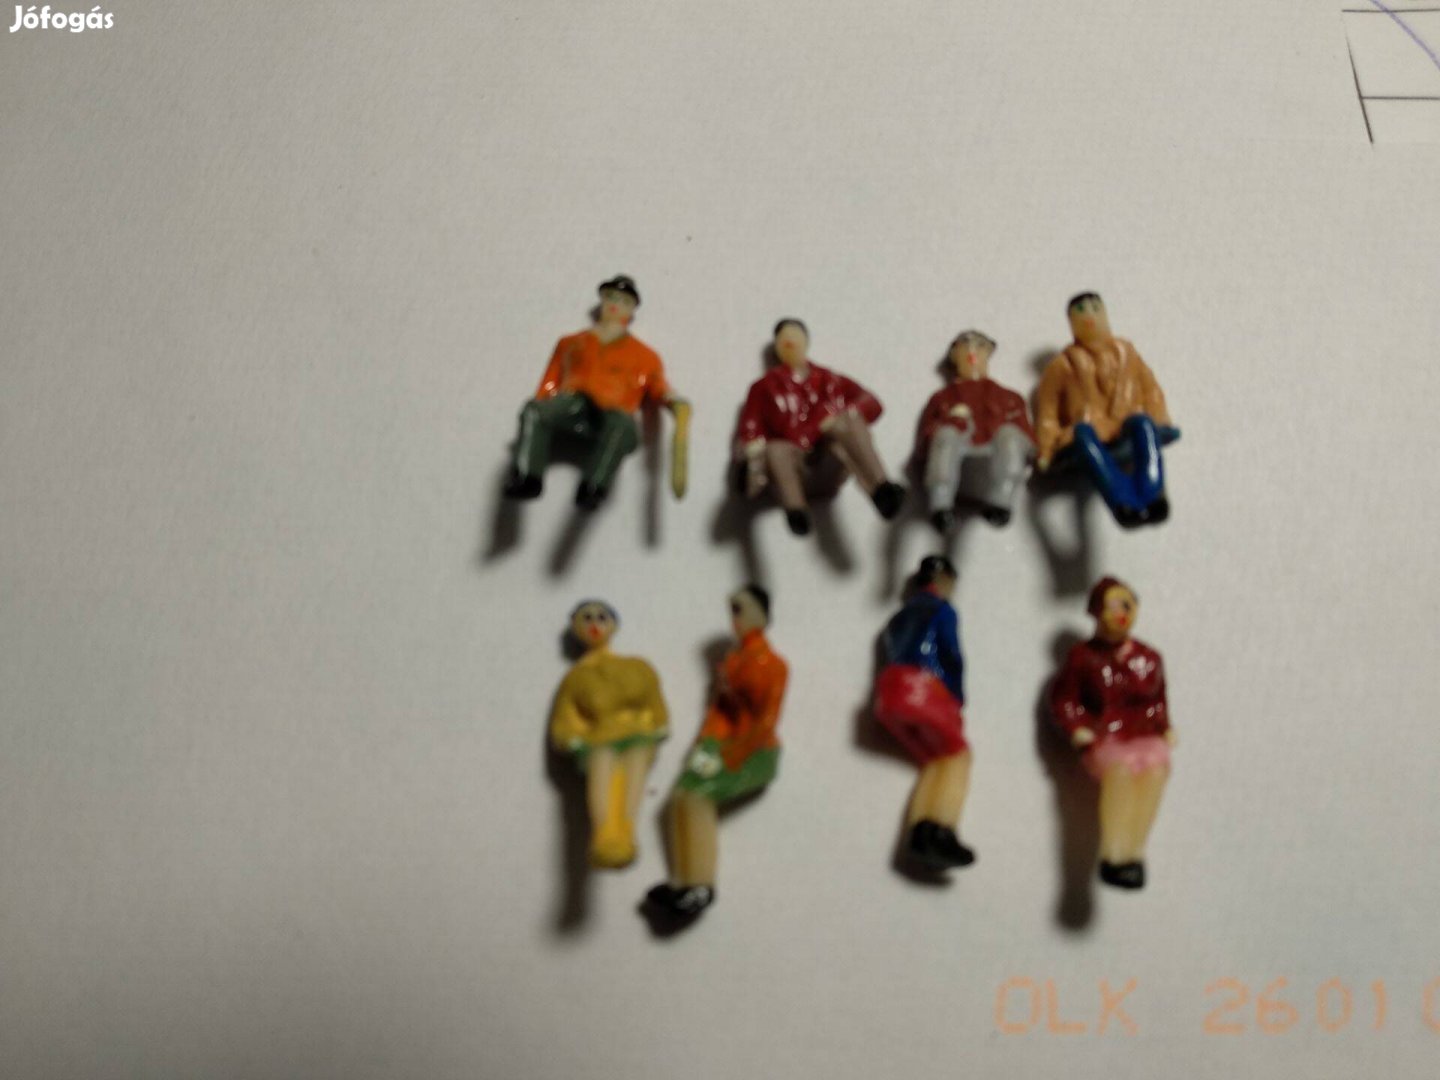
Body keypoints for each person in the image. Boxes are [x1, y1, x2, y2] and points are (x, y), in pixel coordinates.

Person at [645, 586, 788, 922]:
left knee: (698, 798)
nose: (734, 619)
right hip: (720, 744)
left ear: (762, 616)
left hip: (756, 751)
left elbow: (767, 722)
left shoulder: (774, 665)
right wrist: (705, 744)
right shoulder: (732, 661)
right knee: (679, 797)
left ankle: (701, 886)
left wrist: (736, 753)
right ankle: (680, 881)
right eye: (732, 610)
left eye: (740, 610)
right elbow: (719, 711)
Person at [505, 275, 691, 510]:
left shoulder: (645, 356)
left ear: (632, 309)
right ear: (602, 300)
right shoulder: (571, 343)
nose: (615, 304)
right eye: (611, 297)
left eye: (624, 301)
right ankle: (528, 477)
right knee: (534, 411)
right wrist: (542, 401)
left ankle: (594, 487)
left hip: (614, 411)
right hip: (573, 401)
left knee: (622, 427)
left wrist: (673, 400)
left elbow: (657, 385)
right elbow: (550, 378)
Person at [1049, 577, 1175, 890]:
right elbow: (1064, 699)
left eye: (1127, 605)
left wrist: (1164, 726)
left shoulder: (1149, 658)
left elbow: (1157, 700)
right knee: (1120, 775)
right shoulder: (1082, 657)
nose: (1121, 613)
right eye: (1112, 606)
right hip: (1106, 735)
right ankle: (1114, 855)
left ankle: (1134, 852)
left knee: (1156, 773)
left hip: (1143, 733)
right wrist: (1077, 728)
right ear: (1096, 612)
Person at [734, 319, 906, 536]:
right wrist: (750, 454)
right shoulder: (763, 387)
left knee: (849, 420)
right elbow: (750, 428)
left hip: (830, 457)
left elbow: (872, 403)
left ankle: (881, 490)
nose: (790, 341)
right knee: (775, 449)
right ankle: (796, 511)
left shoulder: (830, 379)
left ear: (806, 342)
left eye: (795, 336)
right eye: (784, 338)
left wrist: (836, 416)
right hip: (794, 463)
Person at [1033, 293, 1177, 527]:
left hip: (1124, 421)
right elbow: (1047, 413)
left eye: (1095, 308)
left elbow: (1150, 389)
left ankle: (1152, 495)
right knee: (1082, 435)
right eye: (1080, 311)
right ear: (1071, 322)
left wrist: (1160, 418)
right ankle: (1122, 502)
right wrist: (1046, 450)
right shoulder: (1062, 366)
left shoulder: (1128, 353)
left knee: (1142, 423)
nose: (1089, 316)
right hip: (1089, 427)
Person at [872, 556, 976, 871]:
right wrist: (957, 696)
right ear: (943, 580)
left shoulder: (898, 617)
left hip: (891, 698)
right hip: (924, 692)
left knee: (935, 759)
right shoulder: (943, 610)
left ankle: (920, 831)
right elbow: (951, 655)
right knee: (959, 756)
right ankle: (942, 828)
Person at [549, 600, 669, 868]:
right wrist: (571, 740)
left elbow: (656, 704)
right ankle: (604, 835)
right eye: (586, 618)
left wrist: (660, 725)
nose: (594, 624)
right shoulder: (576, 678)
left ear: (613, 625)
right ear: (575, 627)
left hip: (638, 735)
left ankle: (626, 831)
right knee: (601, 764)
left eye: (601, 617)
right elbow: (563, 723)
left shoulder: (638, 666)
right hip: (600, 740)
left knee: (635, 765)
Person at [913, 330, 1034, 532]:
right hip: (960, 452)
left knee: (1009, 434)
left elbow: (1027, 437)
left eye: (979, 346)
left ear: (988, 354)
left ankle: (1001, 502)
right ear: (954, 358)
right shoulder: (942, 399)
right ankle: (940, 505)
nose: (972, 353)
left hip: (999, 455)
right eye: (964, 348)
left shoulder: (1010, 397)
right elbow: (924, 442)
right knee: (946, 434)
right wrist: (952, 422)